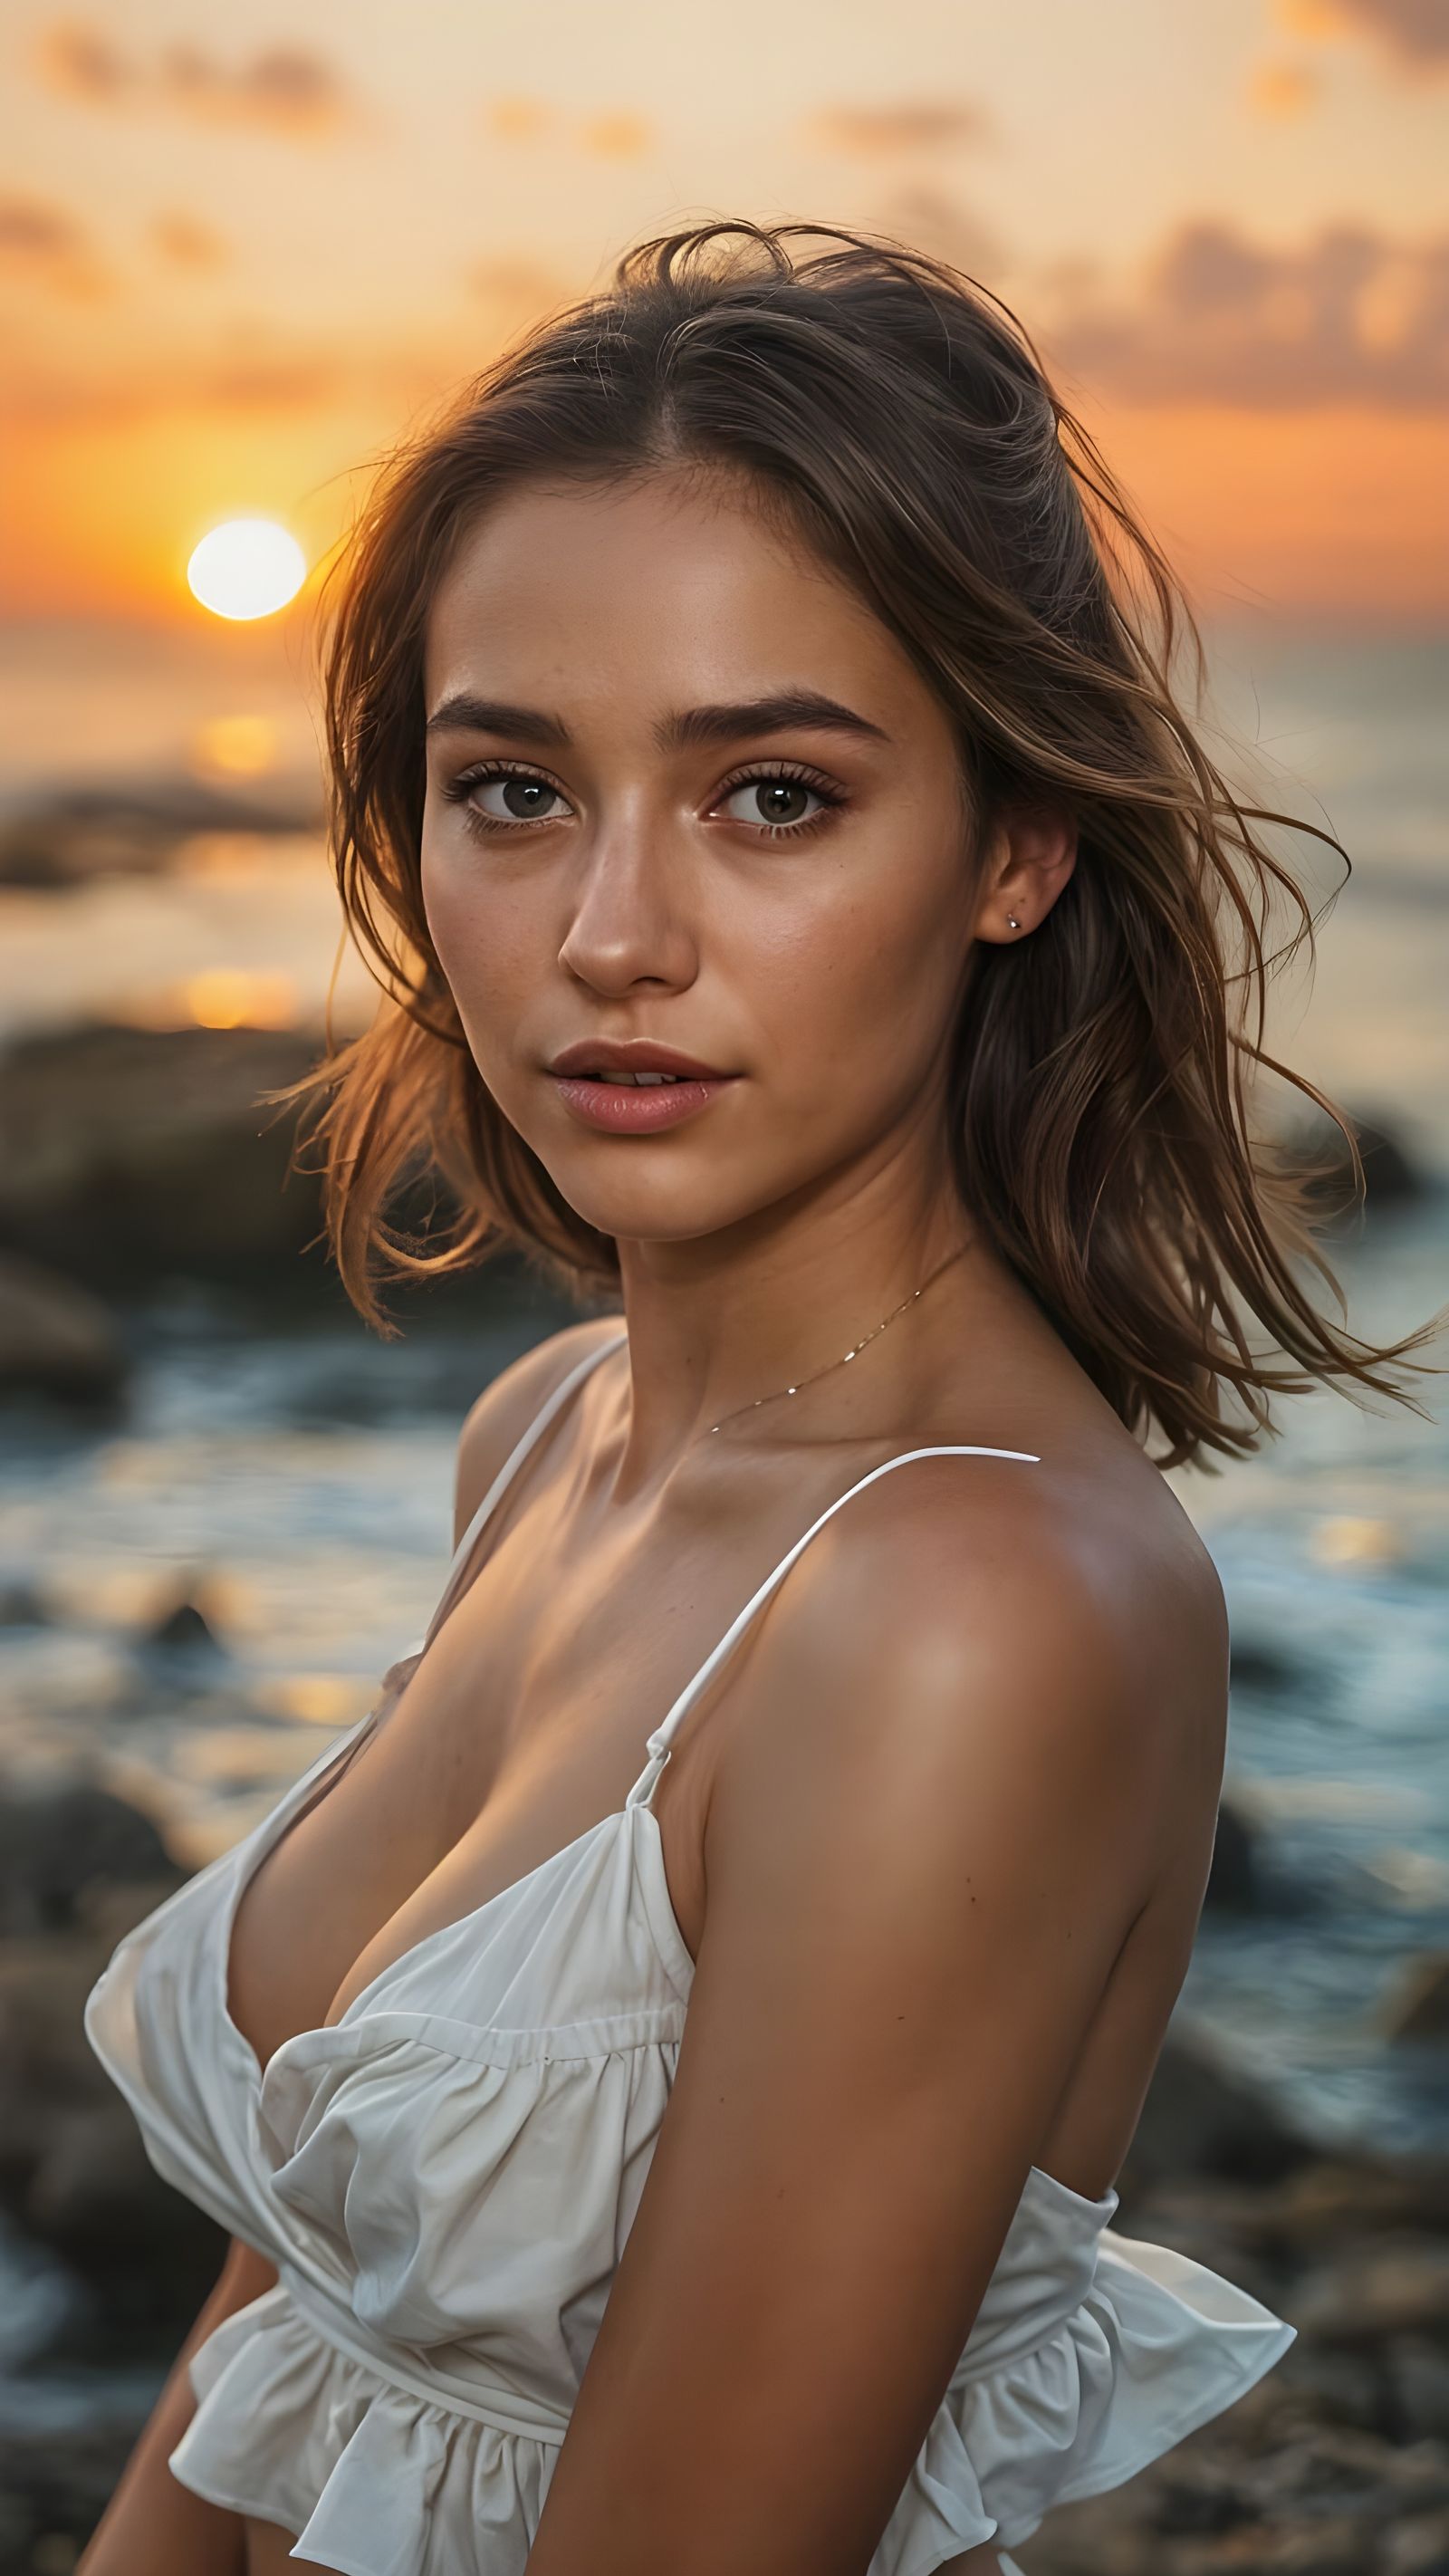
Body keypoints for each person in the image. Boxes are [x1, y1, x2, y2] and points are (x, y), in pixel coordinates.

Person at [81, 220, 1442, 2576]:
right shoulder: (548, 1436)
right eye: (515, 790)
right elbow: (283, 2321)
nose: (613, 934)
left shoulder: (968, 1612)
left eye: (774, 797)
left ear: (1016, 845)